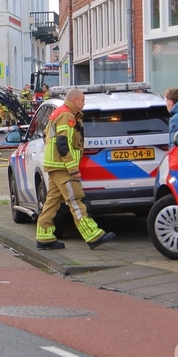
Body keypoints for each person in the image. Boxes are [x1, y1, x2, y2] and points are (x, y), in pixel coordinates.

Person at [33, 87, 115, 251]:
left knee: (52, 202)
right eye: (83, 100)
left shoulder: (60, 112)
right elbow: (63, 143)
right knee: (76, 199)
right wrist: (72, 167)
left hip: (55, 165)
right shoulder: (67, 115)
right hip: (63, 166)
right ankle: (92, 234)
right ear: (75, 100)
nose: (84, 103)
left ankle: (44, 236)